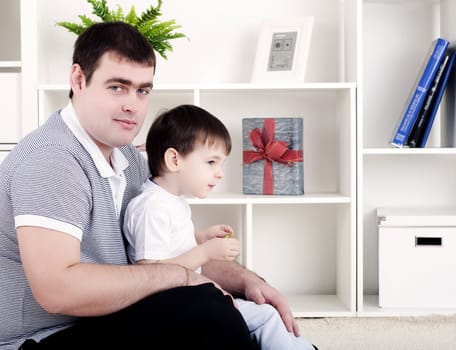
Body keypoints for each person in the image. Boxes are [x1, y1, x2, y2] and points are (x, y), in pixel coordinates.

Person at [0, 21, 309, 350]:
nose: (133, 105)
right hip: (41, 338)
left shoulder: (128, 159)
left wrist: (248, 282)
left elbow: (169, 255)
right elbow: (58, 291)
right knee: (203, 310)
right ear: (78, 79)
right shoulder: (52, 161)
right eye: (117, 87)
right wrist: (182, 277)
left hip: (108, 316)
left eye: (142, 90)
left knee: (237, 308)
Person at [123, 104, 316, 350]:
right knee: (265, 318)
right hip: (170, 307)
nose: (220, 174)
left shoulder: (170, 200)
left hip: (187, 295)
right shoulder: (151, 207)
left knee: (267, 315)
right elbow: (149, 271)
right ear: (174, 159)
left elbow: (167, 244)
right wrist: (205, 253)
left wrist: (200, 238)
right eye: (211, 162)